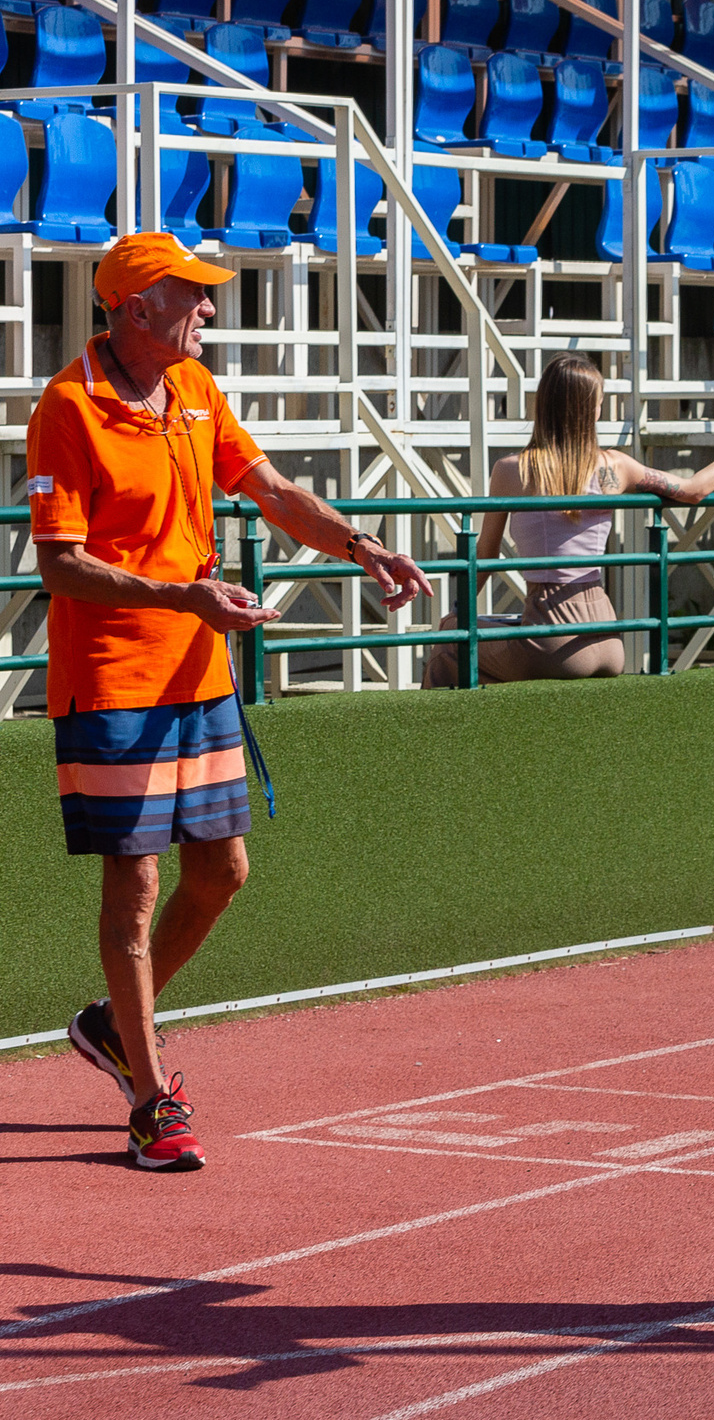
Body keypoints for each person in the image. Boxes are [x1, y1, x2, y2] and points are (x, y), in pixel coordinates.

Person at [39, 233, 433, 1170]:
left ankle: (108, 1024)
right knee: (132, 889)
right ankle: (149, 1095)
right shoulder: (67, 405)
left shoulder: (198, 392)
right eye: (193, 296)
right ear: (137, 308)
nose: (209, 310)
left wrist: (361, 543)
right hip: (113, 682)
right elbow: (59, 563)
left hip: (199, 675)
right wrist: (183, 597)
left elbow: (276, 492)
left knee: (221, 872)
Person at [425, 354, 714, 686]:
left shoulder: (512, 469)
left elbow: (484, 557)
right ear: (591, 410)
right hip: (608, 639)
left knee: (450, 635)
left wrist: (459, 617)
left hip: (552, 642)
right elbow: (694, 489)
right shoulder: (616, 466)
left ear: (543, 406)